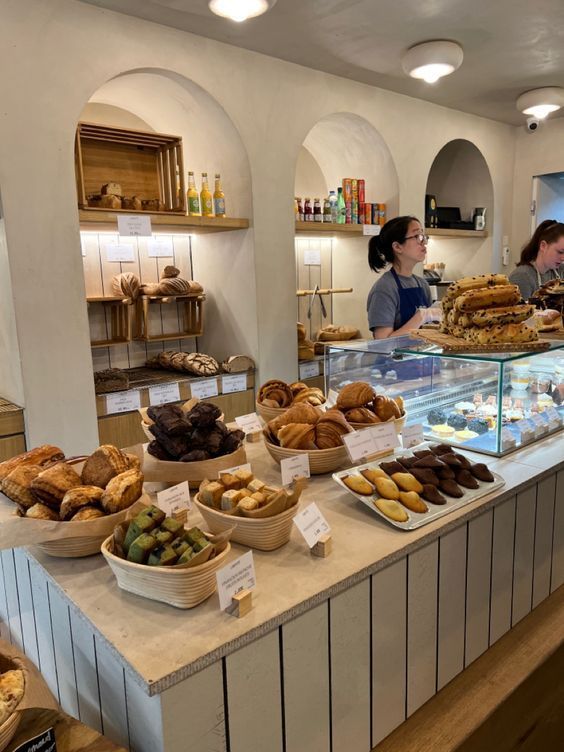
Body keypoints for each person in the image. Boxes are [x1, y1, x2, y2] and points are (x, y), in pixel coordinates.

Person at [367, 215, 441, 339]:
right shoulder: (384, 288)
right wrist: (421, 317)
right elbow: (382, 344)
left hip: (422, 357)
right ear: (397, 247)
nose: (424, 242)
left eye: (423, 237)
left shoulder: (422, 284)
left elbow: (429, 333)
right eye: (417, 236)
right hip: (393, 358)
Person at [509, 219, 564, 300]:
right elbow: (521, 311)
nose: (563, 258)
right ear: (543, 246)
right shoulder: (522, 277)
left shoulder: (561, 270)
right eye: (560, 252)